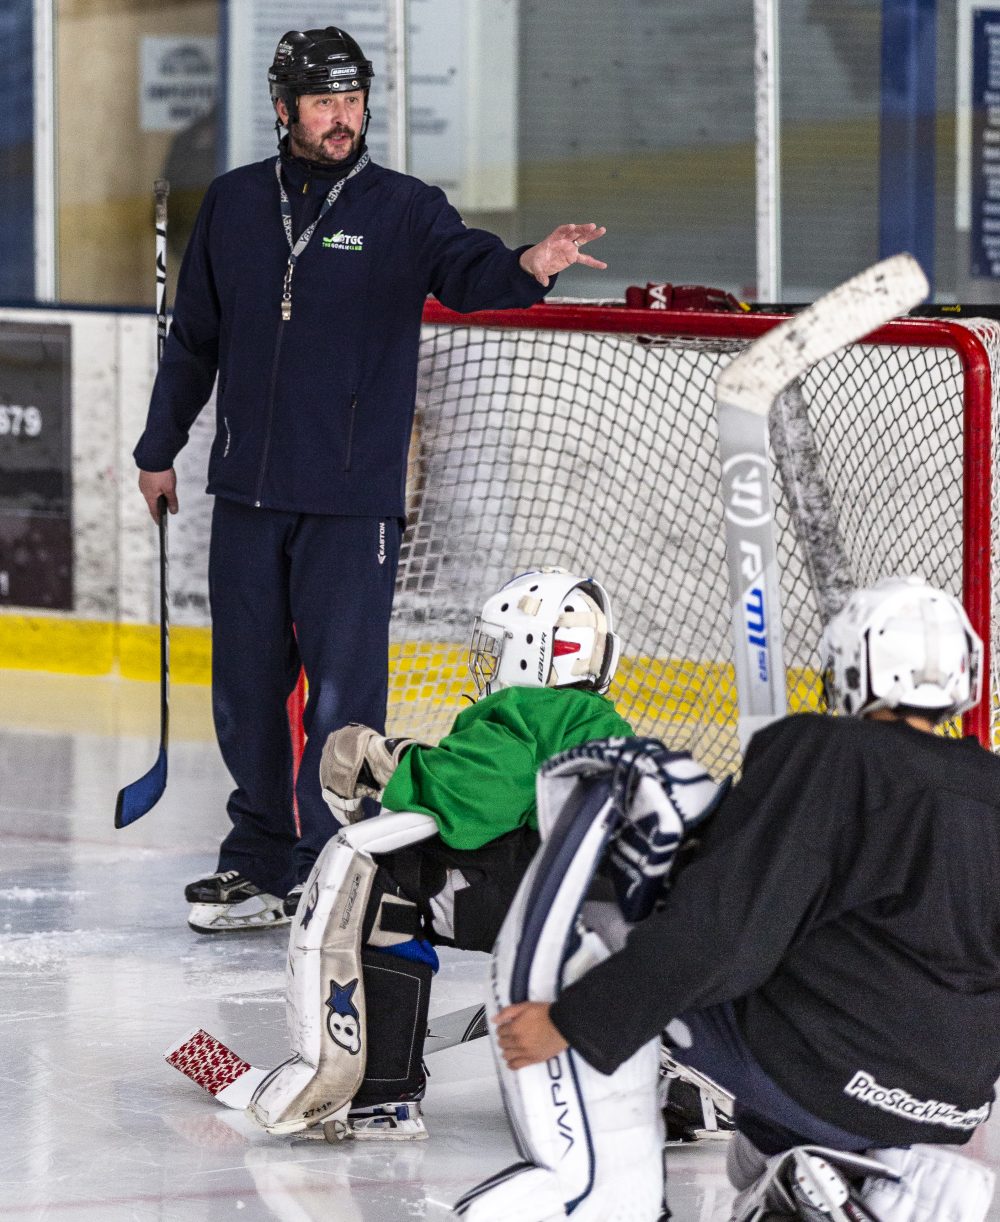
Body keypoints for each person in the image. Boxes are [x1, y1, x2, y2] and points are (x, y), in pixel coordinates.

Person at [131, 26, 610, 934]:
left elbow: (470, 271)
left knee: (344, 700)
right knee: (245, 692)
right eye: (324, 102)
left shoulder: (402, 209)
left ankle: (329, 866)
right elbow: (194, 340)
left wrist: (529, 266)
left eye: (352, 100)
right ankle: (258, 858)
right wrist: (159, 449)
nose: (342, 117)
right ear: (285, 109)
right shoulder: (234, 205)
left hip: (352, 506)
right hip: (248, 495)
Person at [492, 577, 1000, 1216]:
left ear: (850, 664)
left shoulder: (829, 752)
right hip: (954, 1104)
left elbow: (723, 933)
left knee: (610, 901)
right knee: (748, 1157)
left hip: (823, 1079)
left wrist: (573, 1023)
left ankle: (604, 1190)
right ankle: (823, 1178)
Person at [246, 567, 634, 1139]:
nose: (488, 659)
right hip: (624, 926)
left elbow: (474, 798)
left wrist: (383, 759)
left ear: (535, 650)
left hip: (564, 915)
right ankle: (661, 1085)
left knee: (382, 881)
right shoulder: (601, 723)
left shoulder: (530, 710)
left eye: (499, 644)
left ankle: (384, 1092)